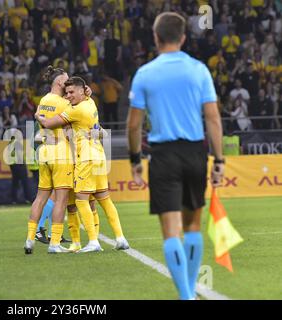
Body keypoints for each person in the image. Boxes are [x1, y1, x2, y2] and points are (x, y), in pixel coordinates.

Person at [127, 12, 224, 300]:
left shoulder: (145, 73)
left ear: (155, 38)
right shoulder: (199, 70)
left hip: (164, 154)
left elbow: (133, 124)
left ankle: (185, 295)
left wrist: (134, 160)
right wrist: (219, 161)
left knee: (171, 231)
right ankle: (189, 292)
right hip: (195, 152)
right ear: (183, 37)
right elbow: (213, 118)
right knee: (193, 226)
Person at [36, 76, 130, 253]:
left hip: (85, 158)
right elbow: (100, 131)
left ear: (81, 90)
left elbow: (48, 123)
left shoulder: (75, 111)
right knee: (105, 199)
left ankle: (93, 241)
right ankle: (120, 238)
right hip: (99, 156)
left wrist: (38, 116)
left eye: (71, 92)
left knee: (80, 200)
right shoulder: (91, 102)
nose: (68, 95)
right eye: (67, 92)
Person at [23, 66, 74, 254]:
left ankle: (30, 239)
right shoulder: (64, 103)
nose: (69, 82)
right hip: (60, 152)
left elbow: (40, 121)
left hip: (44, 152)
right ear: (60, 82)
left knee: (40, 198)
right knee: (61, 199)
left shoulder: (43, 100)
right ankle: (54, 242)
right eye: (66, 79)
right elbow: (71, 129)